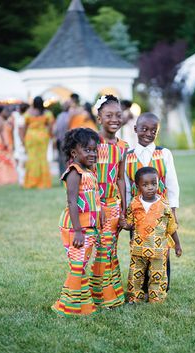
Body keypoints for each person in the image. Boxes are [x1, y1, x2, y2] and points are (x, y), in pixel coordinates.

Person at [125, 112, 180, 293]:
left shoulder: (164, 153)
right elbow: (126, 187)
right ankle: (141, 287)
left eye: (153, 130)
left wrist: (173, 212)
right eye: (144, 129)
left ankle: (162, 285)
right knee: (139, 249)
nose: (148, 133)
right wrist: (127, 215)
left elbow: (172, 184)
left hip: (160, 213)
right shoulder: (128, 156)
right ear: (135, 129)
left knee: (162, 250)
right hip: (138, 213)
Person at [52, 128, 102, 316]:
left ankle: (83, 304)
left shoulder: (89, 171)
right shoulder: (74, 172)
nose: (92, 153)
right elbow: (72, 201)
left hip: (88, 226)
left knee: (82, 265)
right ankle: (67, 306)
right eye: (87, 150)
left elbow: (93, 196)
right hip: (76, 228)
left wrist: (100, 214)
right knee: (78, 265)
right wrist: (78, 230)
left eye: (94, 150)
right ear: (74, 153)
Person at [120, 167, 182, 303]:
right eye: (145, 184)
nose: (150, 188)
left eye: (154, 183)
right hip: (138, 249)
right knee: (135, 275)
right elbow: (130, 224)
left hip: (158, 250)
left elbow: (171, 227)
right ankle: (135, 297)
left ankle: (156, 298)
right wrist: (124, 225)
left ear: (158, 183)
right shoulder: (134, 204)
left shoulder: (164, 205)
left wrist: (177, 244)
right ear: (138, 186)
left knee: (157, 275)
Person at [90, 95, 129, 308]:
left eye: (118, 115)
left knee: (111, 248)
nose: (114, 119)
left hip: (114, 204)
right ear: (99, 118)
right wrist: (97, 206)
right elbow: (90, 177)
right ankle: (100, 295)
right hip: (98, 205)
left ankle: (112, 293)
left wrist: (123, 207)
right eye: (108, 115)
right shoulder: (93, 143)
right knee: (103, 248)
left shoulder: (123, 146)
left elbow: (121, 178)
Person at [23, 96, 54, 189]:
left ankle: (31, 182)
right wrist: (48, 135)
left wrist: (24, 138)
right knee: (42, 158)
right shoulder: (47, 113)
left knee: (32, 159)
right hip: (42, 136)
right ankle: (43, 183)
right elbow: (50, 126)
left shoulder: (28, 112)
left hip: (30, 136)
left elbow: (24, 126)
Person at [0, 106, 17, 185]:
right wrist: (3, 143)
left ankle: (5, 178)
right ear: (0, 112)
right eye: (5, 111)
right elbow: (0, 132)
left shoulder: (1, 120)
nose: (6, 112)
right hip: (1, 141)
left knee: (4, 161)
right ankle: (3, 178)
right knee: (3, 160)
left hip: (4, 140)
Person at [9, 103, 29, 185]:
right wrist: (24, 143)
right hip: (21, 143)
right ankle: (22, 180)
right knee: (22, 162)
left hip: (18, 142)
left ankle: (22, 180)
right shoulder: (22, 119)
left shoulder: (18, 118)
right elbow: (21, 133)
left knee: (21, 161)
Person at [54, 101, 70, 176]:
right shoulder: (70, 116)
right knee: (66, 159)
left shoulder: (59, 116)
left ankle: (63, 175)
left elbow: (56, 130)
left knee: (61, 159)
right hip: (67, 140)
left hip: (61, 140)